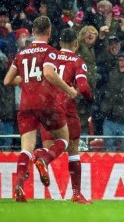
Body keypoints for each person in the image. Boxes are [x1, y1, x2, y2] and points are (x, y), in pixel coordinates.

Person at [3, 16, 78, 202]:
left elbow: (7, 80)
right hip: (47, 103)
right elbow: (48, 73)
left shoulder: (21, 53)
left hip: (26, 105)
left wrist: (28, 81)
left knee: (26, 148)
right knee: (63, 139)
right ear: (49, 32)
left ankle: (19, 186)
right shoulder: (50, 51)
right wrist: (69, 89)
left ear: (34, 31)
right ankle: (44, 159)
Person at [34, 28, 92, 204]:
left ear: (59, 43)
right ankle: (76, 193)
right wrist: (90, 98)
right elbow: (82, 87)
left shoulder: (48, 57)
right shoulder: (77, 61)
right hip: (66, 109)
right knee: (72, 150)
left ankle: (36, 155)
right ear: (76, 44)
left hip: (44, 107)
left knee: (51, 146)